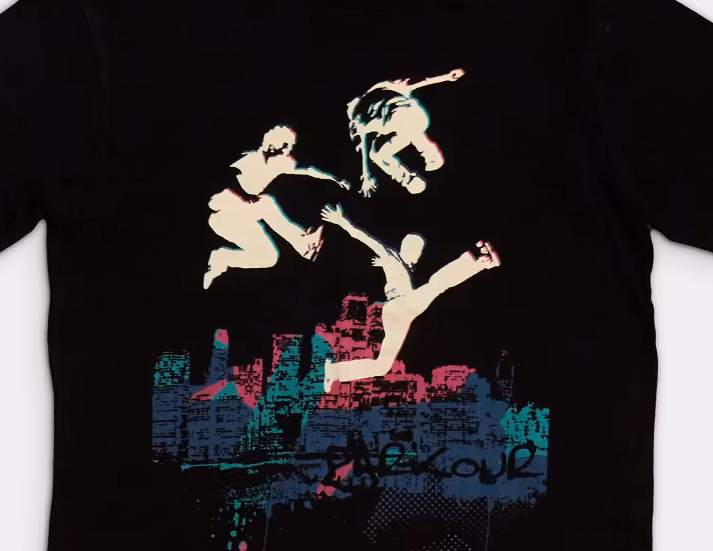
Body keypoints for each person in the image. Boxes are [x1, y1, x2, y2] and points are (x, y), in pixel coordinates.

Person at [319, 203, 500, 388]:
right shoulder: (391, 256)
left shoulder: (403, 268)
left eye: (419, 253)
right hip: (400, 306)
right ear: (404, 248)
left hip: (400, 316)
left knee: (382, 365)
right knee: (436, 285)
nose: (417, 257)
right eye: (415, 251)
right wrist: (342, 221)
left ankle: (336, 371)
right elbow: (366, 239)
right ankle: (479, 261)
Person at [203, 125, 350, 289]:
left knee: (269, 257)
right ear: (273, 143)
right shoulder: (249, 158)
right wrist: (243, 196)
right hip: (224, 215)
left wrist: (334, 178)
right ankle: (303, 242)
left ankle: (222, 258)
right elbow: (226, 178)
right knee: (267, 203)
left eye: (291, 146)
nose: (288, 150)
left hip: (245, 219)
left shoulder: (281, 162)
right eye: (286, 145)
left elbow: (307, 170)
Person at [347, 68, 464, 197]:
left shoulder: (359, 117)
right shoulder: (386, 86)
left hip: (402, 119)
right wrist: (446, 76)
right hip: (419, 116)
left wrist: (366, 174)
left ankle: (413, 172)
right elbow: (418, 81)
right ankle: (429, 155)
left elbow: (364, 145)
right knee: (403, 131)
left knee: (378, 152)